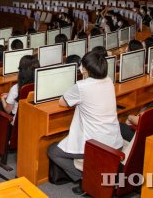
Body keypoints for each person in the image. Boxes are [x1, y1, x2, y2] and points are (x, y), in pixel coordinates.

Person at [47, 51, 123, 183]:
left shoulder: (82, 86)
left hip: (95, 145)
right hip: (114, 142)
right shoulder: (109, 80)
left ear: (85, 70)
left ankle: (85, 178)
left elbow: (62, 102)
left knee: (53, 151)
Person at [0, 55, 40, 150]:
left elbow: (8, 110)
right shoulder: (38, 84)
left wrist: (3, 98)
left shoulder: (16, 88)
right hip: (30, 116)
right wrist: (10, 95)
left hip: (15, 119)